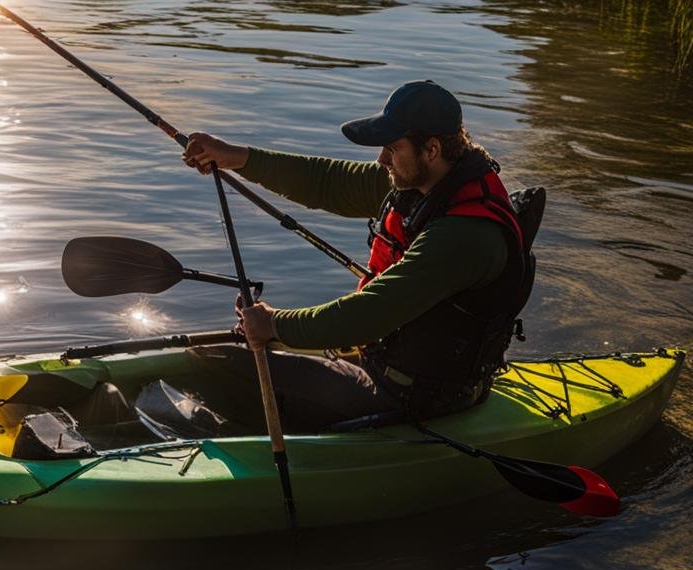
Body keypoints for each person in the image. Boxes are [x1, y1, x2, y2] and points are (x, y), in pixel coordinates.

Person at [181, 80, 532, 427]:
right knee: (224, 361)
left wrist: (273, 324)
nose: (382, 160)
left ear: (432, 149)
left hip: (416, 397)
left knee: (224, 367)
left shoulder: (464, 235)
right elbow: (327, 182)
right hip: (391, 364)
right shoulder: (427, 182)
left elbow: (370, 314)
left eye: (392, 148)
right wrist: (236, 158)